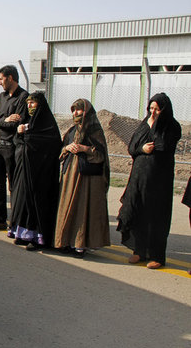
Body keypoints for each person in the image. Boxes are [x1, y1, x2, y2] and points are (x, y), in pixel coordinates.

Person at [117, 93, 182, 269]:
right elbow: (132, 148)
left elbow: (163, 146)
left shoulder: (172, 127)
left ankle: (156, 256)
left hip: (158, 181)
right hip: (139, 178)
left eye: (157, 109)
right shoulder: (143, 125)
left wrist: (154, 126)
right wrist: (142, 148)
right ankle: (138, 251)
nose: (153, 113)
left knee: (156, 217)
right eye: (151, 109)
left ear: (164, 110)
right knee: (138, 212)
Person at [54, 99, 110, 258]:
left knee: (82, 210)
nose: (75, 113)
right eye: (73, 110)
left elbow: (101, 155)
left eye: (79, 110)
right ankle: (64, 241)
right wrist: (67, 148)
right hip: (70, 175)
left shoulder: (94, 130)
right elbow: (61, 150)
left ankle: (79, 245)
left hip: (87, 179)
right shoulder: (72, 130)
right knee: (67, 207)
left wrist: (85, 149)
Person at [8, 92, 62, 250]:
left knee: (36, 204)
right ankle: (22, 234)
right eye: (28, 103)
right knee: (21, 201)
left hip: (40, 174)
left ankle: (36, 238)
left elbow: (50, 145)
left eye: (33, 103)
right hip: (23, 170)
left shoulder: (48, 124)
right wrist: (19, 133)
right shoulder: (26, 121)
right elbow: (18, 142)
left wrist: (29, 136)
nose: (30, 106)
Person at [0, 65, 29, 231]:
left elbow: (18, 123)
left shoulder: (23, 97)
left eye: (1, 79)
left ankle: (16, 221)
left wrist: (0, 122)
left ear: (10, 78)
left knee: (14, 185)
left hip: (12, 146)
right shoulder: (2, 97)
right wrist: (4, 120)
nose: (0, 83)